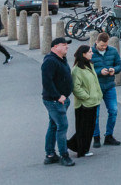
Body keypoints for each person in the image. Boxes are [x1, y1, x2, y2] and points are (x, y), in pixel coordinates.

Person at [41, 36, 75, 167]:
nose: (67, 46)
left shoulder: (60, 59)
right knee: (62, 127)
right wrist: (57, 96)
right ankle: (64, 155)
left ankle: (50, 154)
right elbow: (47, 81)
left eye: (67, 44)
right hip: (55, 101)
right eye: (63, 44)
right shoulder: (50, 61)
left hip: (60, 100)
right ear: (55, 47)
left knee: (54, 126)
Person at [68, 44, 101, 158]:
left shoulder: (89, 65)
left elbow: (94, 82)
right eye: (90, 52)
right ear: (83, 54)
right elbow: (76, 87)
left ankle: (79, 146)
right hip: (84, 103)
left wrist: (97, 95)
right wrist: (87, 97)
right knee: (83, 128)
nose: (92, 53)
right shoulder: (77, 69)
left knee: (89, 127)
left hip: (93, 100)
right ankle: (81, 149)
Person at [90, 32, 121, 147]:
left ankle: (109, 135)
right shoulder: (90, 53)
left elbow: (119, 64)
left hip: (109, 86)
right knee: (95, 114)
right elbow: (86, 70)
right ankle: (96, 137)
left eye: (105, 45)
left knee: (113, 110)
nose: (104, 47)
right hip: (96, 87)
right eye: (101, 46)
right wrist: (99, 72)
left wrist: (114, 69)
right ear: (96, 42)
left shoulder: (112, 51)